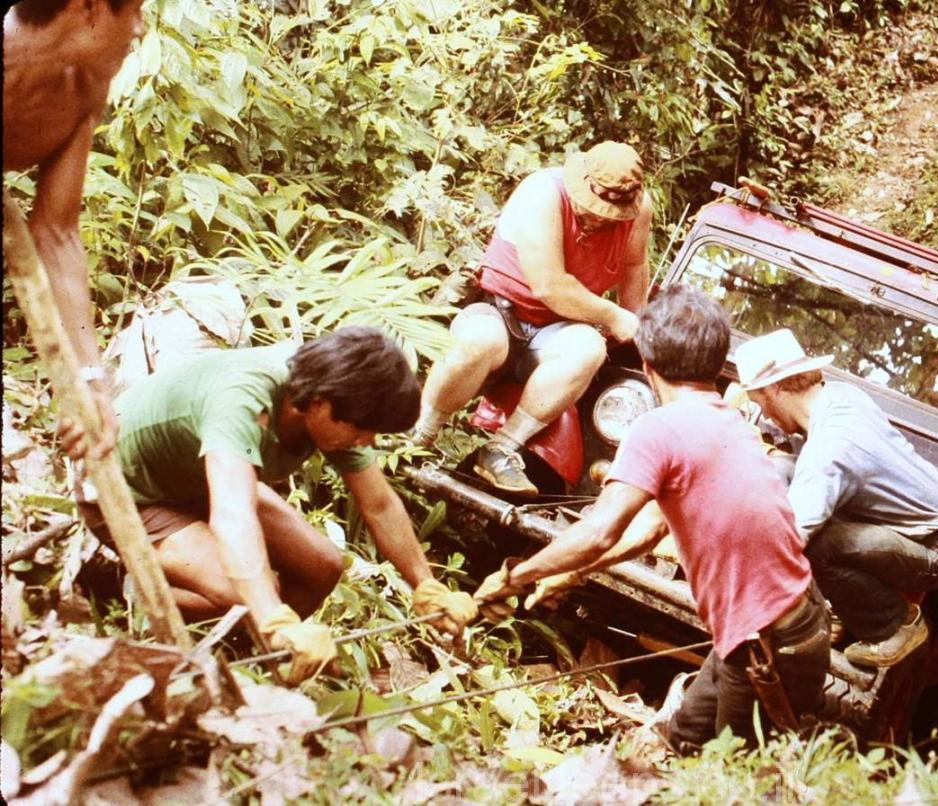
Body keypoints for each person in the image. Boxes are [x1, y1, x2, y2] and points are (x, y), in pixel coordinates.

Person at [473, 287, 830, 750]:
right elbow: (651, 527)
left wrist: (515, 576)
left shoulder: (658, 428)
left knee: (728, 773)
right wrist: (574, 571)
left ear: (646, 363)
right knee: (682, 738)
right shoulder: (726, 419)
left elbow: (601, 531)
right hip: (783, 630)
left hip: (768, 645)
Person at [74, 327, 477, 682]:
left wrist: (426, 585)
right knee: (248, 590)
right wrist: (273, 616)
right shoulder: (245, 398)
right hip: (126, 490)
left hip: (201, 478)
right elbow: (233, 514)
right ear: (320, 403)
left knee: (322, 567)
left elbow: (380, 505)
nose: (367, 441)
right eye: (362, 429)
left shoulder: (333, 401)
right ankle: (126, 591)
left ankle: (248, 656)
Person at [411, 141, 653, 496]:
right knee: (477, 341)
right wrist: (611, 314)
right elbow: (549, 285)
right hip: (501, 311)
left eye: (609, 214)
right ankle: (419, 434)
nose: (600, 218)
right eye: (593, 208)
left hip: (558, 330)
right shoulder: (544, 192)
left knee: (589, 349)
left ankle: (503, 448)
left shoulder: (638, 211)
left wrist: (639, 333)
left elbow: (634, 268)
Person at [734, 329, 938, 668]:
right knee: (779, 468)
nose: (765, 415)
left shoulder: (831, 449)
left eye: (760, 402)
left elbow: (792, 537)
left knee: (817, 547)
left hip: (932, 551)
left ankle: (895, 626)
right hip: (907, 530)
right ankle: (841, 604)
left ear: (776, 388)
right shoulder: (840, 397)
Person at [4, 0, 150, 460]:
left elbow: (55, 232)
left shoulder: (86, 88)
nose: (141, 29)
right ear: (86, 8)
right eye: (134, 10)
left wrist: (90, 378)